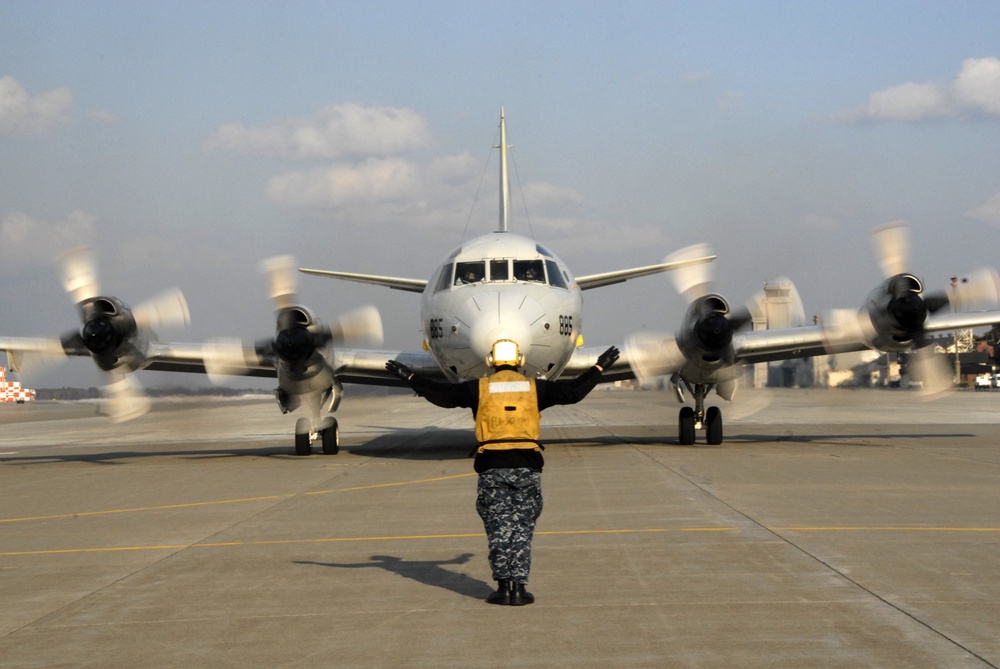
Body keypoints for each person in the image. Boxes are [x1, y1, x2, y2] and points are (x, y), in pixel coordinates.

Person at [386, 340, 619, 606]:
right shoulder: (535, 388)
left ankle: (502, 587)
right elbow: (573, 392)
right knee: (522, 529)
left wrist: (412, 377)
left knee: (498, 529)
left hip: (492, 467)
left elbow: (443, 396)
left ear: (490, 361)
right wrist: (598, 368)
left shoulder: (479, 389)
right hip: (527, 467)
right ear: (519, 360)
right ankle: (519, 589)